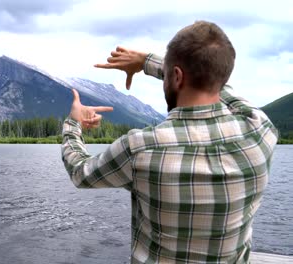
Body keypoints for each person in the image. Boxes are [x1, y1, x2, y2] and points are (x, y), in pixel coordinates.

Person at [61, 21, 278, 263]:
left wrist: (73, 124)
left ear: (176, 76)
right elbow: (219, 86)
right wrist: (148, 62)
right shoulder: (259, 130)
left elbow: (80, 172)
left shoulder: (140, 148)